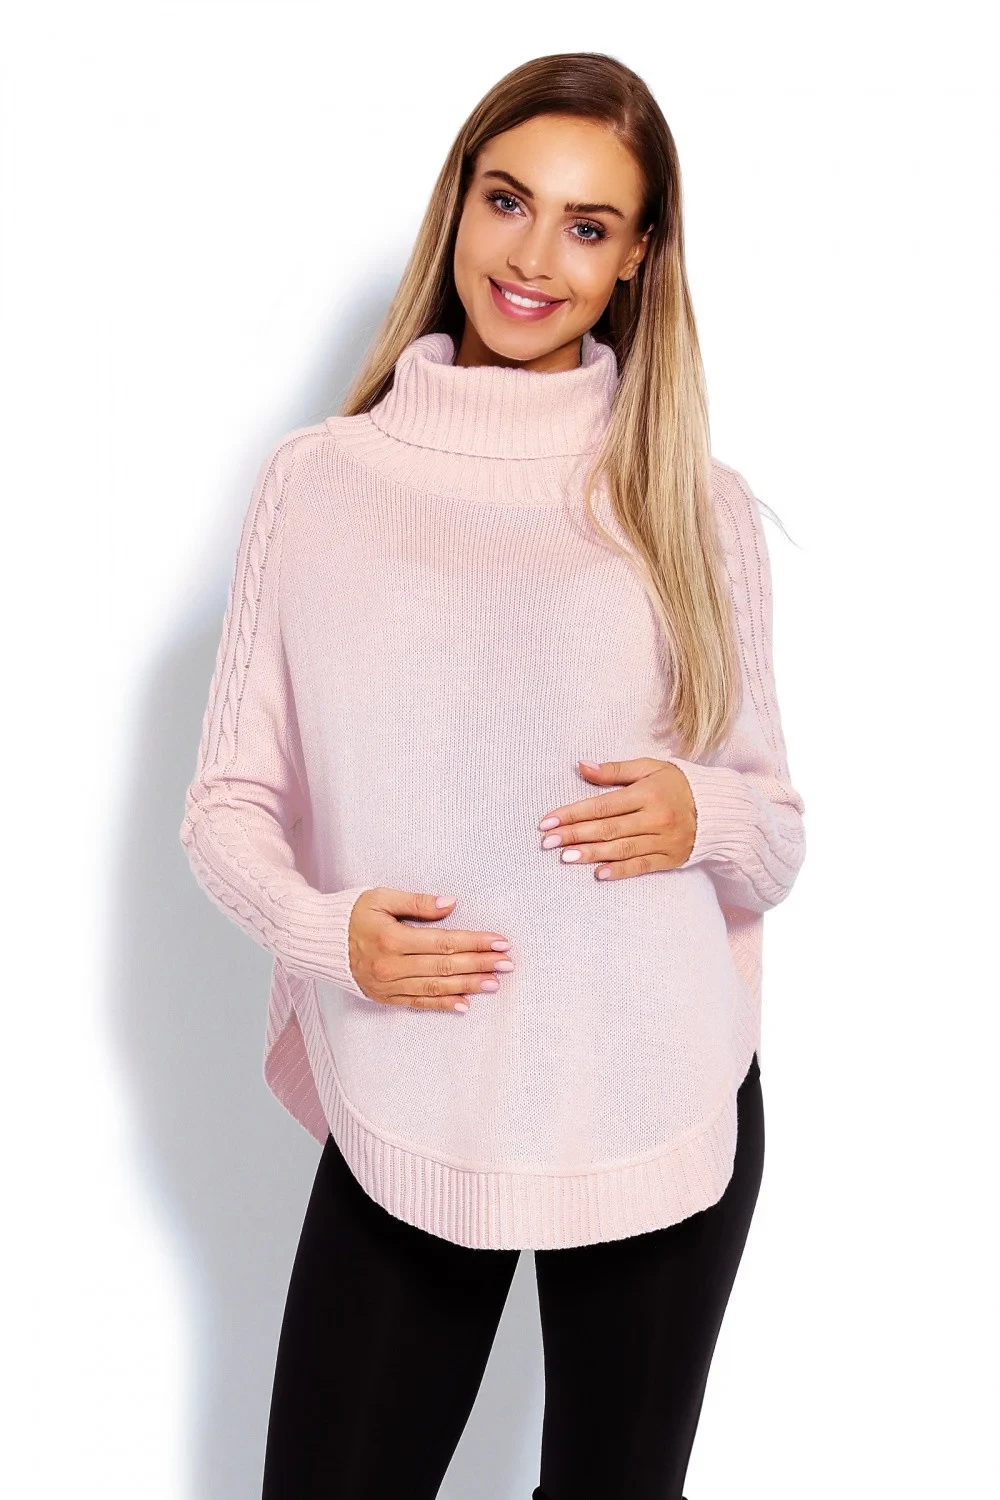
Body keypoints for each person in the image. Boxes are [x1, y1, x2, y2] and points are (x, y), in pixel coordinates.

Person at [180, 50, 806, 1500]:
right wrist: (327, 931)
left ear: (639, 257)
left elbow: (776, 836)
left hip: (659, 1093)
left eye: (589, 226)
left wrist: (702, 810)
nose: (534, 259)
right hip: (415, 1096)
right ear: (457, 203)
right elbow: (225, 806)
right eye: (509, 201)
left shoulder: (692, 506)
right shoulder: (320, 484)